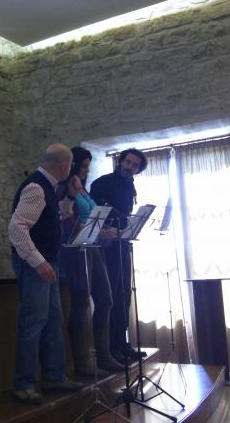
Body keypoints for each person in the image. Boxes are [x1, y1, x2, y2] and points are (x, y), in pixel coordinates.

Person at [8, 143, 83, 405]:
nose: (71, 168)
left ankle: (53, 377)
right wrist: (39, 262)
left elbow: (55, 217)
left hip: (46, 263)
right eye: (71, 163)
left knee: (52, 321)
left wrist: (71, 198)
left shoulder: (48, 188)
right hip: (35, 265)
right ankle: (23, 385)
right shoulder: (36, 188)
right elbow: (16, 229)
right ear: (64, 164)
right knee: (33, 324)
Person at [58, 147, 123, 376]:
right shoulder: (65, 187)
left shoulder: (83, 189)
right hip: (76, 251)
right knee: (81, 304)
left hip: (93, 248)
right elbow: (65, 217)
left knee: (105, 299)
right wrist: (72, 197)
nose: (87, 170)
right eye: (83, 166)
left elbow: (90, 216)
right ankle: (83, 363)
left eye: (88, 166)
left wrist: (104, 230)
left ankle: (104, 356)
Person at [89, 148, 148, 364]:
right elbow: (92, 213)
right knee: (110, 298)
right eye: (128, 162)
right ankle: (110, 349)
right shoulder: (102, 183)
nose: (130, 166)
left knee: (124, 297)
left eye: (134, 165)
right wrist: (106, 229)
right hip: (106, 247)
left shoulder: (129, 186)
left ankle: (122, 345)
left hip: (123, 245)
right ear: (120, 160)